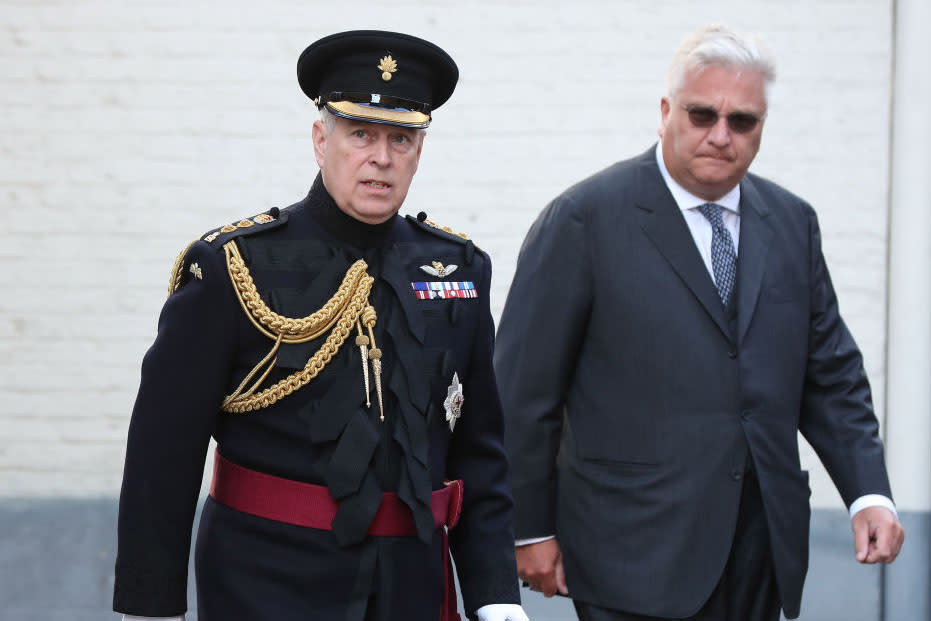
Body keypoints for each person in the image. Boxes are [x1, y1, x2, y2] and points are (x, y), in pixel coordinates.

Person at [113, 30, 528, 621]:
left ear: (419, 151)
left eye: (401, 139)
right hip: (268, 582)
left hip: (412, 586)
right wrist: (150, 605)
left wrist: (495, 596)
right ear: (320, 139)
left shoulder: (457, 268)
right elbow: (164, 452)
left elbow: (479, 451)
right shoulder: (236, 265)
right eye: (361, 134)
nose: (380, 158)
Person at [494, 24, 904, 621]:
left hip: (761, 550)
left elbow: (831, 375)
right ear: (665, 112)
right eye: (702, 114)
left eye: (742, 121)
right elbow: (523, 390)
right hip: (632, 552)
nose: (720, 135)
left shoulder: (791, 223)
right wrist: (526, 527)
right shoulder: (584, 220)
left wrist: (869, 493)